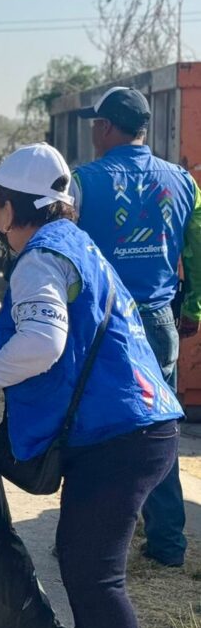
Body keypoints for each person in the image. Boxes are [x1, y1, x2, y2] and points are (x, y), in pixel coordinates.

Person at [0, 143, 180, 628]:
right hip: (127, 427)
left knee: (95, 571)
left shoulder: (38, 262)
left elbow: (42, 345)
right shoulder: (73, 244)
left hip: (122, 436)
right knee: (78, 558)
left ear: (10, 209)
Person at [72, 86, 201, 568]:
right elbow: (199, 248)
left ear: (105, 127)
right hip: (159, 320)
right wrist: (195, 308)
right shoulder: (183, 181)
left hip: (103, 324)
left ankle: (101, 537)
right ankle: (168, 543)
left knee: (98, 429)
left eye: (94, 123)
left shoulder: (82, 182)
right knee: (158, 429)